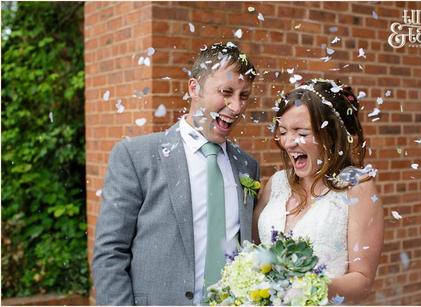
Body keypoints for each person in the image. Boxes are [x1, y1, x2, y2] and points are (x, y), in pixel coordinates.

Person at [92, 42, 259, 305]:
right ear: (194, 88)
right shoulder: (136, 156)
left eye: (244, 96)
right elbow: (110, 253)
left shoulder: (247, 166)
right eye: (226, 92)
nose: (236, 107)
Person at [253, 79, 384, 303]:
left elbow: (362, 281)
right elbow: (252, 253)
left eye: (301, 132)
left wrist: (303, 285)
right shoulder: (276, 184)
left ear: (330, 135)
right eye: (283, 131)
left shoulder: (357, 188)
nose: (288, 142)